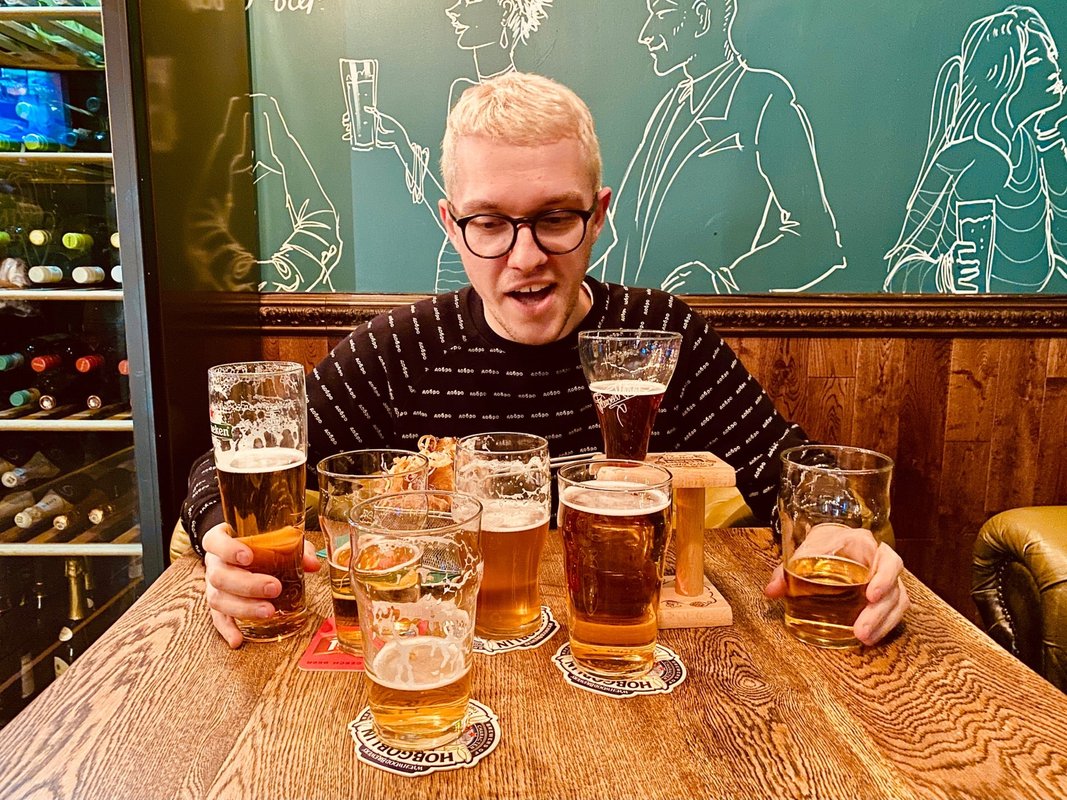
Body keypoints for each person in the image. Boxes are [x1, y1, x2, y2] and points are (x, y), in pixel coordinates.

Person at [182, 71, 909, 648]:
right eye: (490, 222)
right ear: (451, 225)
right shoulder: (399, 349)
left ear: (599, 214)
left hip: (648, 671)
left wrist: (847, 534)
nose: (525, 257)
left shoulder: (662, 336)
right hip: (448, 663)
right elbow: (216, 470)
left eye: (555, 217)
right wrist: (226, 546)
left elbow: (793, 471)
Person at [594, 0, 846, 293]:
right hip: (638, 316)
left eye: (662, 14)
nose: (646, 34)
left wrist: (724, 282)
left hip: (707, 317)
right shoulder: (669, 108)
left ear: (702, 17)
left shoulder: (764, 99)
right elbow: (626, 236)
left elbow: (816, 240)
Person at [366, 0, 553, 291]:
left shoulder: (541, 107)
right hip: (456, 270)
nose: (454, 10)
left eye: (469, 3)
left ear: (503, 14)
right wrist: (399, 142)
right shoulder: (461, 94)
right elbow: (454, 204)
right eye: (489, 222)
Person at [884, 5, 1067, 293]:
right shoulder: (958, 160)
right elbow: (898, 274)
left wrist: (1053, 150)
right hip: (972, 317)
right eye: (1035, 59)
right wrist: (944, 274)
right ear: (1002, 76)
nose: (1053, 67)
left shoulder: (1037, 149)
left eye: (1052, 54)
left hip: (1041, 316)